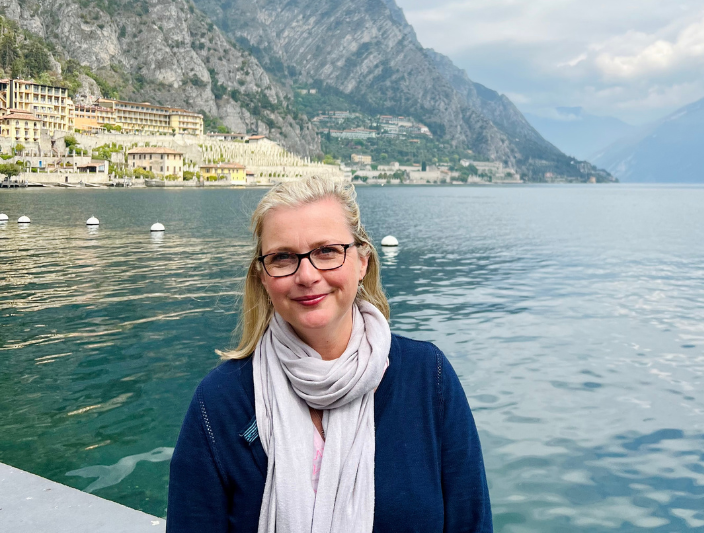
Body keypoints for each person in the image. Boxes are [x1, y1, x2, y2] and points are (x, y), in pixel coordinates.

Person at [167, 176, 492, 533]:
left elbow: (471, 523)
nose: (306, 275)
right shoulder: (219, 402)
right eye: (282, 257)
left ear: (362, 261)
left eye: (327, 251)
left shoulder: (429, 377)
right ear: (263, 276)